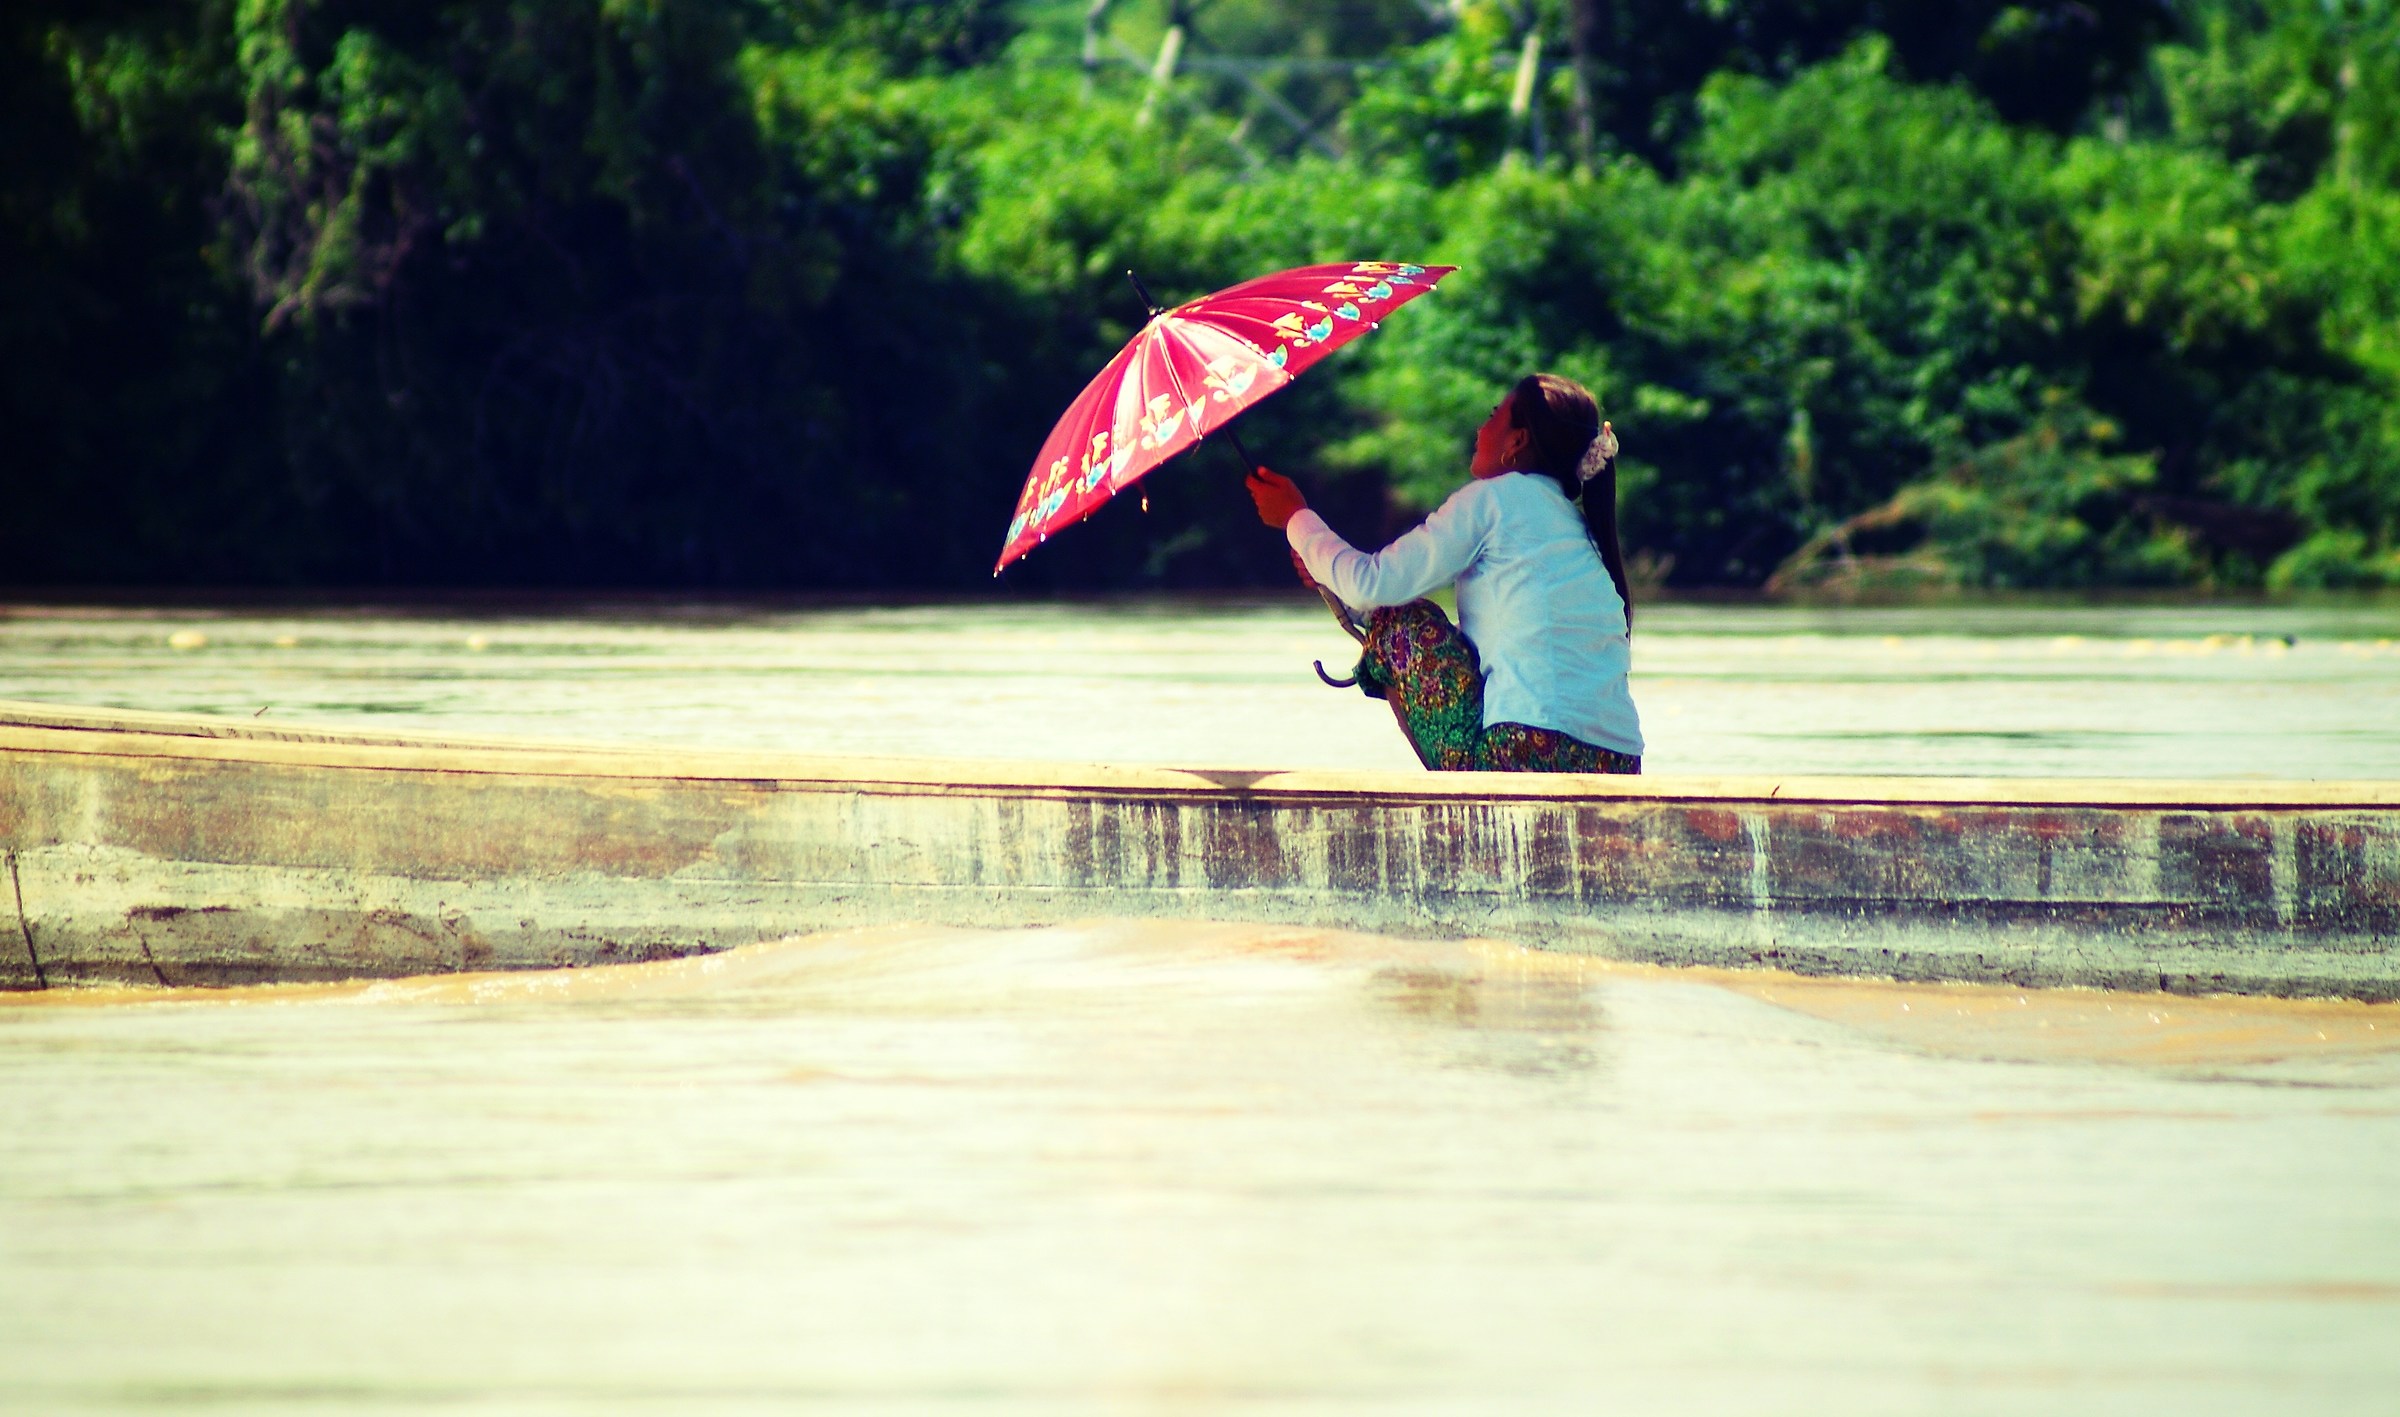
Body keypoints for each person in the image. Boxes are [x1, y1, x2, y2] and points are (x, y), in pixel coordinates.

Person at [1245, 373, 1643, 773]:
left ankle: (1455, 796)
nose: (1480, 428)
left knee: (1398, 620)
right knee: (1395, 615)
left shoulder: (1496, 499)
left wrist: (1295, 517)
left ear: (1517, 441)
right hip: (1620, 761)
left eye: (1493, 416)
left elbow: (1372, 587)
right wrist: (1327, 572)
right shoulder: (1582, 532)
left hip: (1525, 754)